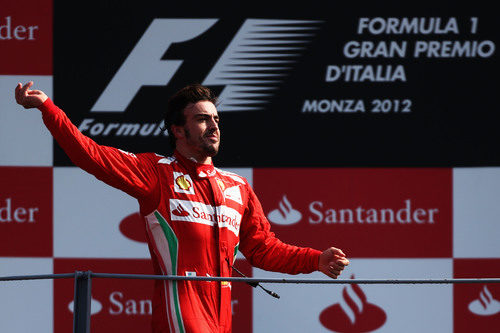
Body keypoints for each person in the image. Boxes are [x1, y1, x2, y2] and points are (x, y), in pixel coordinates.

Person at [15, 81, 349, 333]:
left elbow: (262, 249)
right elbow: (91, 154)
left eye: (216, 119)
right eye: (202, 120)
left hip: (222, 316)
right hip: (180, 311)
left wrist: (315, 260)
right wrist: (48, 108)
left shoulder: (238, 187)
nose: (214, 126)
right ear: (178, 130)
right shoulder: (156, 173)